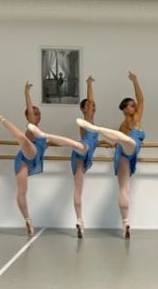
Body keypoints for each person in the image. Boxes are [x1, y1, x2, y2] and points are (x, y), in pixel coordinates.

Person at [29, 76, 103, 238]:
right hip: (83, 149)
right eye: (89, 106)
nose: (92, 108)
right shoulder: (87, 119)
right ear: (84, 109)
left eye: (93, 106)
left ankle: (79, 221)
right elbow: (90, 102)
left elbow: (92, 138)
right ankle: (48, 137)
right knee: (79, 146)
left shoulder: (89, 123)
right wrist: (89, 84)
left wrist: (102, 142)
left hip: (82, 154)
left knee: (78, 189)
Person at [78, 71, 145, 238]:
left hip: (123, 149)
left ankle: (125, 223)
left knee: (124, 188)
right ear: (125, 109)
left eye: (134, 105)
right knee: (124, 189)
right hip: (126, 148)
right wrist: (135, 81)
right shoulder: (133, 120)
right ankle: (126, 223)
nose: (135, 107)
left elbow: (141, 101)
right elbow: (142, 99)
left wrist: (135, 80)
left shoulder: (129, 122)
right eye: (131, 105)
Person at [0, 82, 46, 236]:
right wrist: (27, 93)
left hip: (30, 157)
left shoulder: (40, 131)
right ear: (28, 116)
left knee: (22, 192)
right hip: (25, 156)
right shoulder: (32, 127)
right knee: (22, 138)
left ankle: (28, 220)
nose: (37, 115)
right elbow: (30, 112)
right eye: (34, 113)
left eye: (38, 113)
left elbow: (46, 142)